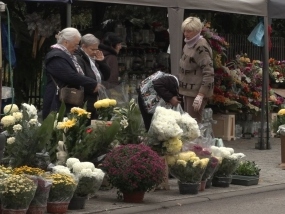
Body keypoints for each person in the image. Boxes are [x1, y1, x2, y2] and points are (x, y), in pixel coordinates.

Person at [42, 27, 101, 119]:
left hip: (65, 101)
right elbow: (70, 75)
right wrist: (92, 83)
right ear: (66, 42)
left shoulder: (66, 55)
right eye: (75, 44)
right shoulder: (56, 56)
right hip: (57, 101)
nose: (77, 48)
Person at [178, 17, 214, 123]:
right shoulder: (188, 44)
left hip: (196, 93)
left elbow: (209, 72)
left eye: (189, 31)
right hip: (187, 91)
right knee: (188, 125)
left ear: (197, 31)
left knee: (193, 125)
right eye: (184, 30)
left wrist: (201, 94)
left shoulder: (201, 47)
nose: (185, 33)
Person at [74, 34, 111, 119]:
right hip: (85, 99)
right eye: (92, 49)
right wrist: (92, 86)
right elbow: (80, 78)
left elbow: (106, 76)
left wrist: (102, 62)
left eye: (97, 49)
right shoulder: (79, 58)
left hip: (95, 98)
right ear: (83, 47)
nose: (95, 52)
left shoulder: (93, 59)